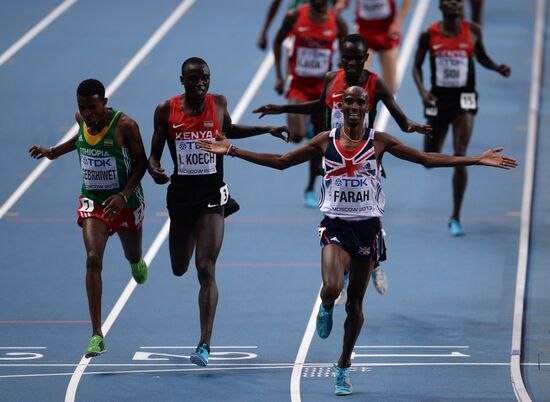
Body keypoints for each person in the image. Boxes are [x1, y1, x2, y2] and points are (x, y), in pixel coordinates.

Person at [197, 85, 517, 396]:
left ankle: (344, 364)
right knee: (333, 288)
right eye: (347, 101)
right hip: (335, 226)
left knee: (355, 305)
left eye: (358, 103)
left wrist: (475, 159)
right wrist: (233, 150)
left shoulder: (379, 142)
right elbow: (282, 162)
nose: (352, 107)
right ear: (340, 107)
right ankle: (325, 305)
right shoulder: (326, 141)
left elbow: (425, 159)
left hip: (367, 230)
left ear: (366, 108)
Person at [253, 33, 432, 296]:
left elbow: (401, 119)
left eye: (356, 59)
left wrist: (412, 125)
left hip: (365, 158)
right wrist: (281, 109)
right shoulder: (330, 79)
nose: (350, 64)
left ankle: (374, 263)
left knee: (365, 214)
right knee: (338, 215)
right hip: (335, 154)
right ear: (341, 57)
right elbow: (319, 105)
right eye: (346, 58)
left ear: (365, 59)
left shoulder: (375, 84)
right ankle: (345, 272)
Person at [148, 57, 290, 367]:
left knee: (205, 267)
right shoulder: (165, 110)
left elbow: (231, 130)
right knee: (179, 267)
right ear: (182, 80)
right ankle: (202, 338)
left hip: (212, 196)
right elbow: (154, 157)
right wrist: (155, 170)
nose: (201, 84)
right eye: (194, 79)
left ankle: (204, 344)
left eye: (205, 79)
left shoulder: (219, 102)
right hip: (181, 197)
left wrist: (268, 129)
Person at [28, 79, 148, 358]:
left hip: (126, 203)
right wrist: (53, 152)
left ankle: (136, 261)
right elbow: (80, 137)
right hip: (93, 202)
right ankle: (97, 334)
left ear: (104, 103)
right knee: (93, 258)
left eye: (93, 107)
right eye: (82, 108)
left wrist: (123, 195)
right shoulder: (82, 118)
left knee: (133, 254)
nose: (87, 114)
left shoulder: (125, 126)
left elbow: (142, 162)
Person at [412, 0, 510, 236]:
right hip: (437, 99)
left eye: (458, 0)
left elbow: (483, 57)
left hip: (464, 100)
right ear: (440, 5)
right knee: (428, 156)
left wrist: (498, 68)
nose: (454, 3)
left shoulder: (473, 31)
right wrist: (424, 93)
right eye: (449, 0)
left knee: (461, 152)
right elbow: (416, 67)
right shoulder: (429, 34)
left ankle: (455, 216)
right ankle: (454, 211)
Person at [273, 0, 348, 208]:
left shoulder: (337, 22)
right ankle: (305, 128)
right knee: (296, 136)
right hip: (298, 85)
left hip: (323, 89)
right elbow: (277, 41)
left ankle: (309, 187)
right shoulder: (295, 16)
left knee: (318, 142)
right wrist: (279, 76)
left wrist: (343, 78)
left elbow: (347, 53)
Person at [335, 0, 412, 94]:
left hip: (386, 30)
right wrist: (341, 4)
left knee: (391, 87)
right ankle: (363, 105)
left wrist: (398, 21)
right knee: (358, 81)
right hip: (364, 29)